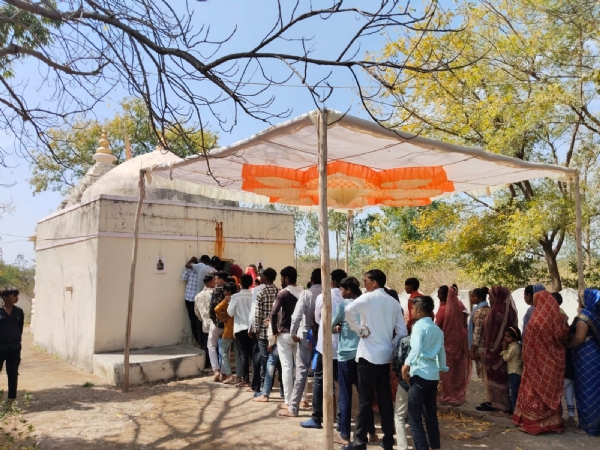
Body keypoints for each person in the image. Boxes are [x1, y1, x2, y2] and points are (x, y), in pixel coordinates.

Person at [344, 269, 407, 450]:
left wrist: (359, 330)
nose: (364, 284)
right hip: (384, 356)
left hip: (368, 356)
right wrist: (390, 344)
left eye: (366, 281)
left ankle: (359, 441)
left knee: (365, 400)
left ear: (374, 282)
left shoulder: (368, 298)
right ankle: (388, 439)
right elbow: (402, 332)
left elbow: (348, 309)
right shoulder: (393, 302)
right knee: (385, 399)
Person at [513, 290, 566, 435]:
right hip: (554, 362)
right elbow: (563, 336)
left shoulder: (535, 320)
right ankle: (554, 424)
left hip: (535, 364)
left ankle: (534, 424)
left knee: (534, 392)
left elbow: (528, 343)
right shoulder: (558, 318)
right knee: (550, 390)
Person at [333, 277, 377, 445]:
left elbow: (330, 325)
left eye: (342, 290)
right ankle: (371, 432)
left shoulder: (344, 306)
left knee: (345, 395)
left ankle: (344, 434)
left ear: (348, 290)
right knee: (365, 397)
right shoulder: (366, 304)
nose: (341, 292)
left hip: (345, 355)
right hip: (363, 354)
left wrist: (337, 327)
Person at [301, 269, 347, 429]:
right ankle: (341, 422)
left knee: (320, 380)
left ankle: (317, 417)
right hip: (343, 347)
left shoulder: (324, 297)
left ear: (332, 281)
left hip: (325, 345)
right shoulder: (348, 299)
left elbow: (318, 319)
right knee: (342, 384)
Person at [402, 295, 447, 450]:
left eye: (413, 309)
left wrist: (406, 364)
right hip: (433, 376)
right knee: (430, 414)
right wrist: (441, 372)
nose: (412, 311)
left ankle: (421, 447)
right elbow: (441, 354)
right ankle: (434, 445)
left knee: (414, 416)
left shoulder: (419, 326)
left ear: (419, 311)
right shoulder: (437, 330)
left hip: (420, 374)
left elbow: (416, 349)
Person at [281, 268, 322, 418]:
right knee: (322, 373)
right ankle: (324, 409)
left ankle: (294, 407)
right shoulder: (328, 293)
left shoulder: (307, 293)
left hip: (305, 335)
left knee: (301, 372)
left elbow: (296, 316)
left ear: (311, 279)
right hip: (323, 336)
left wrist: (293, 333)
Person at [565, 288, 600, 436]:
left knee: (587, 390)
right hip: (595, 354)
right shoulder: (596, 315)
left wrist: (567, 345)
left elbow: (579, 338)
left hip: (585, 358)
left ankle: (589, 425)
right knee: (596, 390)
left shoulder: (585, 316)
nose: (579, 301)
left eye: (580, 298)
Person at [481, 286, 518, 414]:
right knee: (505, 378)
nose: (490, 298)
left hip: (494, 350)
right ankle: (507, 404)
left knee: (496, 378)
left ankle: (499, 405)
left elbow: (490, 332)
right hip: (508, 348)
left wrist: (489, 349)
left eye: (491, 296)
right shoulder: (511, 311)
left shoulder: (495, 311)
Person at [270, 266, 302, 408]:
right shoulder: (303, 292)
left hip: (285, 334)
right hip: (299, 334)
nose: (281, 280)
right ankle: (303, 399)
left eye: (282, 277)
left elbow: (273, 313)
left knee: (287, 368)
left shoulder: (283, 293)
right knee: (300, 368)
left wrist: (274, 330)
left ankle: (289, 401)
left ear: (287, 278)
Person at [436, 285, 471, 406]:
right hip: (458, 343)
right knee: (457, 369)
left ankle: (447, 394)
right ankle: (457, 394)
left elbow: (436, 326)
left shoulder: (443, 309)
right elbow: (465, 323)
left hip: (447, 343)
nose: (437, 296)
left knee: (447, 370)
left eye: (439, 293)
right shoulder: (459, 307)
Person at [253, 268, 279, 395]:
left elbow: (257, 314)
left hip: (264, 332)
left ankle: (265, 388)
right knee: (276, 360)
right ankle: (281, 389)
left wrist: (256, 329)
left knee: (265, 360)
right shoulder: (279, 292)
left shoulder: (261, 293)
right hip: (277, 332)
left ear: (264, 278)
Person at [228, 274, 254, 388]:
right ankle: (256, 379)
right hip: (252, 328)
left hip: (240, 328)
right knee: (253, 355)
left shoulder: (236, 297)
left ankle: (246, 380)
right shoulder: (253, 295)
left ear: (240, 283)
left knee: (243, 355)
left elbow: (230, 313)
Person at [0, 287, 24, 404]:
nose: (16, 298)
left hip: (14, 348)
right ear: (5, 298)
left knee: (13, 372)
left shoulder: (19, 311)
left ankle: (11, 398)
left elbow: (20, 328)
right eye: (13, 295)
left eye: (16, 295)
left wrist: (17, 341)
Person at [469, 287, 491, 410]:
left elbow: (476, 332)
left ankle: (489, 400)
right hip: (488, 346)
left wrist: (472, 348)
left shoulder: (479, 312)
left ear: (480, 298)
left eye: (473, 296)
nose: (471, 299)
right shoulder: (489, 310)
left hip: (481, 347)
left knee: (485, 374)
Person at [215, 282, 238, 383]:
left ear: (228, 291)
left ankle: (229, 375)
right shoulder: (238, 298)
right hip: (238, 329)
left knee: (223, 352)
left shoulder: (227, 300)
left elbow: (217, 309)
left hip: (228, 329)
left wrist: (222, 318)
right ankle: (240, 376)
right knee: (237, 354)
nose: (224, 292)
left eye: (225, 291)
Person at [208, 271, 228, 381]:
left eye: (216, 279)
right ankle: (224, 374)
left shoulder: (216, 291)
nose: (215, 281)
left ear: (221, 280)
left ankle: (216, 370)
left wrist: (215, 320)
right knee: (225, 349)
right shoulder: (231, 290)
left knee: (211, 345)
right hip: (227, 324)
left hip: (216, 323)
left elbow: (211, 308)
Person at [248, 274, 267, 395]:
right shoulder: (276, 290)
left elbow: (254, 310)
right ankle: (267, 385)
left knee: (257, 357)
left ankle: (256, 385)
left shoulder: (257, 291)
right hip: (271, 330)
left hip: (259, 329)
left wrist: (252, 327)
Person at [500, 326, 522, 413]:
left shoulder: (514, 347)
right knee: (512, 391)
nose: (505, 338)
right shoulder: (513, 345)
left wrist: (504, 348)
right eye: (505, 336)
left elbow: (506, 358)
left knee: (514, 392)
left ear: (514, 337)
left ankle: (514, 411)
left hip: (515, 372)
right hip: (512, 372)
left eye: (508, 337)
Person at [181, 257, 202, 348]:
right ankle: (201, 340)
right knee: (200, 320)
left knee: (192, 320)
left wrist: (189, 262)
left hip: (189, 299)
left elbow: (182, 278)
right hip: (198, 299)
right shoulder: (201, 270)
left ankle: (197, 340)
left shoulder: (189, 270)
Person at [195, 274, 216, 345]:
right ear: (210, 283)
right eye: (214, 281)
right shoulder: (214, 294)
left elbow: (196, 311)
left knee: (207, 346)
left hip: (205, 325)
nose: (215, 282)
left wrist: (203, 319)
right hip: (215, 324)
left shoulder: (198, 295)